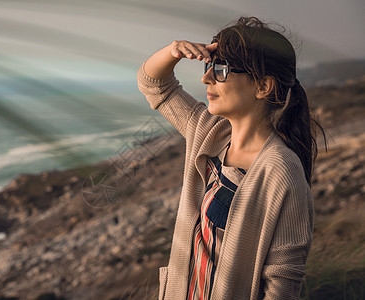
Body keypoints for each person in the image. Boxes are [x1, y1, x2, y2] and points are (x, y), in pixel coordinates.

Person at [137, 16, 326, 300]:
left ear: (263, 86)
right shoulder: (208, 131)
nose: (206, 78)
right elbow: (153, 84)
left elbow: (283, 283)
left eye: (222, 69)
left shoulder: (282, 170)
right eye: (209, 65)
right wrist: (174, 50)